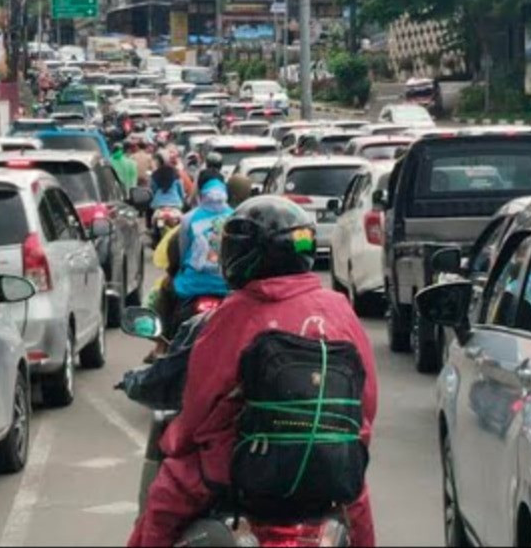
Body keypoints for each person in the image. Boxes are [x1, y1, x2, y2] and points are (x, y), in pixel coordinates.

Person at [129, 197, 378, 547]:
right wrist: (345, 447)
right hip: (331, 467)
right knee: (361, 524)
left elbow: (200, 405)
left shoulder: (233, 315)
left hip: (236, 471)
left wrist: (175, 444)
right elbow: (366, 404)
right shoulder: (339, 309)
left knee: (160, 510)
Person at [171, 178, 233, 312]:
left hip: (192, 285)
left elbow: (183, 251)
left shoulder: (189, 218)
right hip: (226, 286)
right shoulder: (235, 217)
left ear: (201, 196)